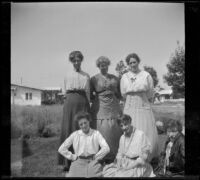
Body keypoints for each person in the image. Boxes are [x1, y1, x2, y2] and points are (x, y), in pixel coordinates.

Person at [120, 53, 159, 161]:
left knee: (144, 129)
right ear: (128, 64)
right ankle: (131, 156)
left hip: (142, 105)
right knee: (129, 127)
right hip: (130, 105)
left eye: (134, 62)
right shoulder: (124, 76)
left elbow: (150, 92)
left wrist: (140, 98)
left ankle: (146, 157)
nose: (133, 64)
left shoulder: (146, 75)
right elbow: (123, 93)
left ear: (138, 62)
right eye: (130, 63)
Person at [58, 51, 91, 171]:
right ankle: (67, 162)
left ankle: (84, 160)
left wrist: (88, 106)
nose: (76, 62)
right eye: (74, 61)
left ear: (81, 61)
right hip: (70, 103)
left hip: (83, 102)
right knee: (69, 129)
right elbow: (64, 92)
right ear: (71, 61)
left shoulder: (86, 75)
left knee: (83, 130)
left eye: (78, 60)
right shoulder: (67, 75)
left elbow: (88, 92)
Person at [90, 56, 122, 164]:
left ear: (108, 65)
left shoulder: (115, 78)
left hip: (113, 105)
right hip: (100, 106)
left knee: (114, 129)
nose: (103, 67)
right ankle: (101, 156)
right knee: (102, 129)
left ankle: (115, 155)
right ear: (98, 66)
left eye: (105, 64)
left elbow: (119, 94)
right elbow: (90, 95)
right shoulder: (93, 79)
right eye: (101, 65)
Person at [58, 111, 110, 177]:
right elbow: (61, 149)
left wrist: (97, 156)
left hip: (92, 162)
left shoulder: (96, 133)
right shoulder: (75, 135)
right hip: (78, 162)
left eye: (85, 123)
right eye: (81, 124)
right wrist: (73, 157)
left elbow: (106, 148)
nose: (84, 126)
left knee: (94, 175)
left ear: (89, 121)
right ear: (79, 125)